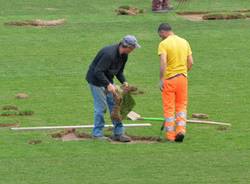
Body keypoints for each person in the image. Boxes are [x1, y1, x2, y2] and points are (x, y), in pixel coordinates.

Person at [86, 35, 141, 142]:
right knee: (101, 107)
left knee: (116, 106)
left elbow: (119, 71)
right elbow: (98, 71)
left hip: (107, 80)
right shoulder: (109, 54)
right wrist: (108, 85)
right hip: (96, 81)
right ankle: (97, 134)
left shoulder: (124, 55)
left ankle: (119, 133)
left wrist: (124, 81)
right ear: (127, 46)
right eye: (133, 47)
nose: (134, 50)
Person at [157, 23, 193, 142]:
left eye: (160, 35)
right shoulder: (184, 41)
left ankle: (171, 135)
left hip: (170, 79)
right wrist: (183, 72)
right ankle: (181, 131)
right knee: (181, 106)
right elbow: (191, 62)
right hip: (183, 79)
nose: (160, 37)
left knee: (169, 107)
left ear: (163, 32)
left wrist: (162, 78)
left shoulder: (163, 44)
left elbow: (163, 62)